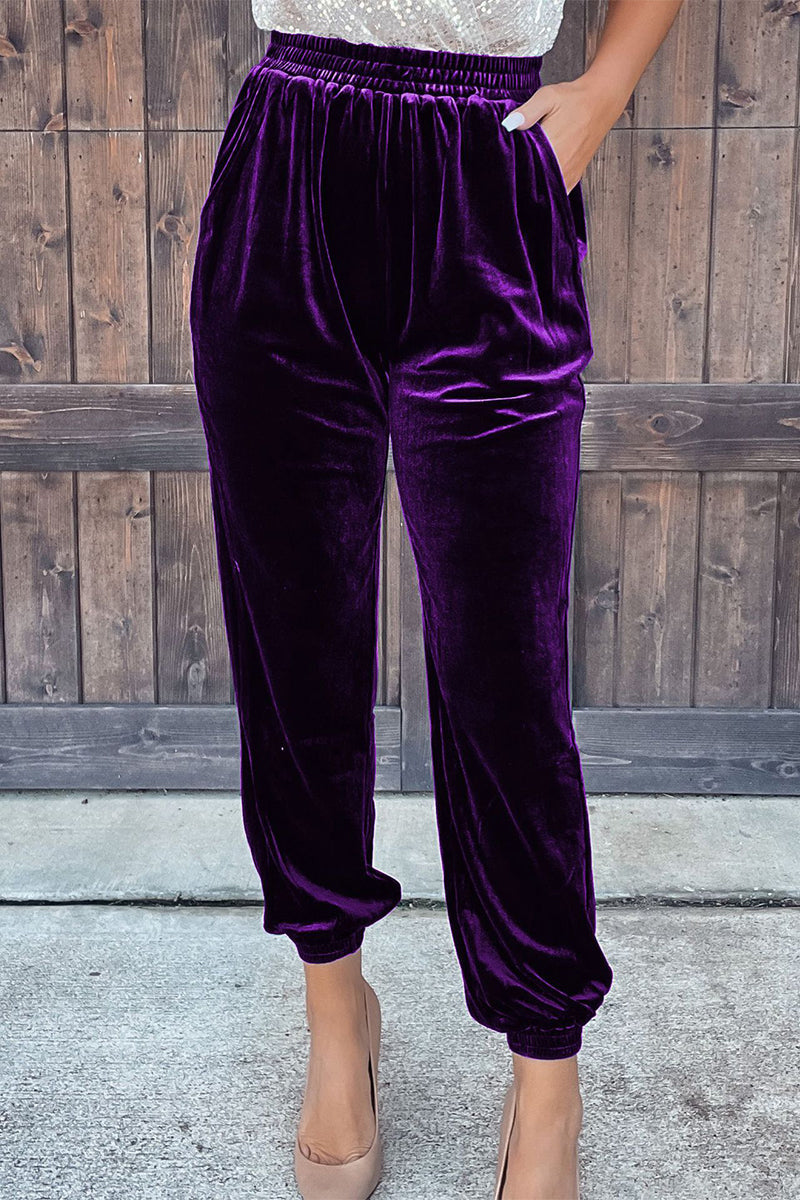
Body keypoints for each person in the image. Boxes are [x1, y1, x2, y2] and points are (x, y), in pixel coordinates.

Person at [189, 1, 685, 1196]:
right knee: (294, 643)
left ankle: (545, 1074)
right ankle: (334, 1015)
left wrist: (605, 87)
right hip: (288, 160)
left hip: (485, 170)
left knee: (503, 670)